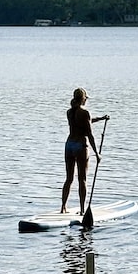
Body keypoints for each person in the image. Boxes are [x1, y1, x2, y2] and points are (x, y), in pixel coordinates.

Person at [61, 87, 108, 215]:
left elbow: (84, 122)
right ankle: (82, 210)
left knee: (69, 178)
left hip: (69, 145)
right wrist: (97, 154)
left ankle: (63, 207)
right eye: (86, 98)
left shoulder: (69, 112)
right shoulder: (85, 113)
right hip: (80, 146)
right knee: (82, 179)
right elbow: (89, 134)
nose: (86, 100)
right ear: (83, 99)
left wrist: (101, 118)